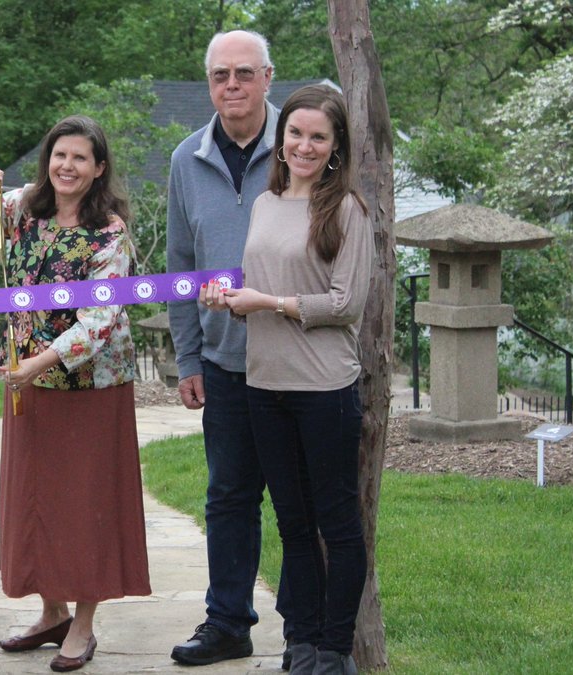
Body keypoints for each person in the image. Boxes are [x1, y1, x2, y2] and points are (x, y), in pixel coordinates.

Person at [0, 115, 150, 673]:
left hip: (89, 385)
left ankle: (82, 622)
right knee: (35, 500)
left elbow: (103, 316)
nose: (67, 166)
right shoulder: (21, 208)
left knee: (87, 504)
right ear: (47, 160)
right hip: (28, 383)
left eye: (81, 158)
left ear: (99, 168)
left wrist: (41, 361)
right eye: (60, 155)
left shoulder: (109, 232)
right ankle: (50, 612)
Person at [200, 84, 372, 675]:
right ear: (281, 140)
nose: (303, 145)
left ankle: (335, 648)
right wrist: (230, 299)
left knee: (337, 524)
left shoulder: (346, 210)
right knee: (292, 524)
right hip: (263, 385)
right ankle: (301, 642)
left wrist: (268, 302)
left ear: (335, 146)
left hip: (324, 390)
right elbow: (260, 280)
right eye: (295, 133)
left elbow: (347, 304)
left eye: (317, 137)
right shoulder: (267, 203)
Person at [165, 29, 289, 667]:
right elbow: (179, 266)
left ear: (269, 77)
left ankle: (307, 631)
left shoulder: (301, 149)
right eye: (221, 75)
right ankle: (228, 623)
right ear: (208, 83)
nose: (232, 86)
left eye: (244, 73)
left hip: (299, 362)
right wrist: (188, 359)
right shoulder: (187, 159)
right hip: (225, 364)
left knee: (302, 501)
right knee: (229, 497)